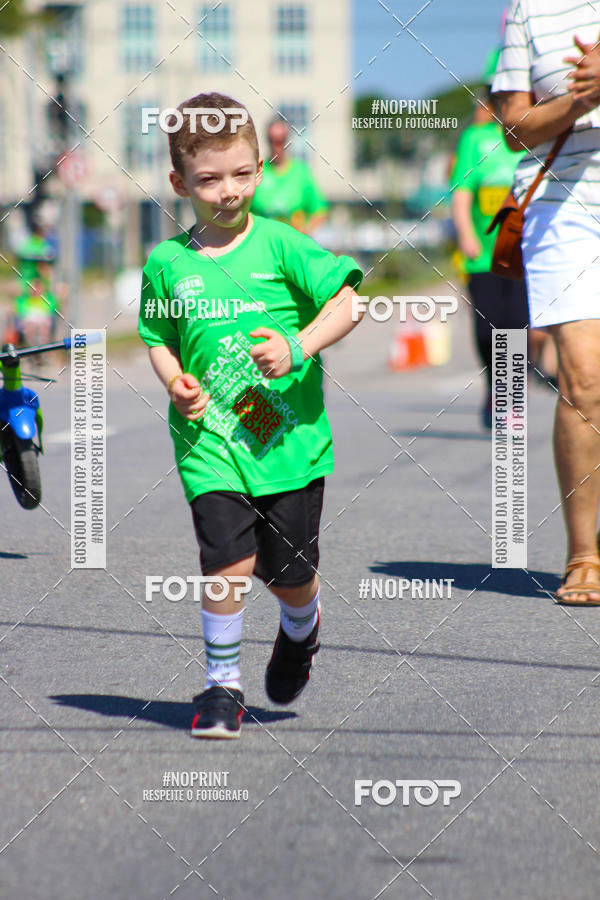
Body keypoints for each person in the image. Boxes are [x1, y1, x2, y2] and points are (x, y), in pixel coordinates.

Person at [138, 92, 364, 739]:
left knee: (288, 577)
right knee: (225, 563)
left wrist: (298, 346)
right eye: (209, 179)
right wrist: (173, 379)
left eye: (242, 174)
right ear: (180, 182)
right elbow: (156, 335)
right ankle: (221, 686)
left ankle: (302, 626)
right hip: (209, 443)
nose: (228, 191)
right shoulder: (167, 264)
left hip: (287, 446)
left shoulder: (281, 245)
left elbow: (348, 303)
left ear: (260, 171)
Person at [493, 1, 600, 604]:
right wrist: (581, 100)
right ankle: (584, 554)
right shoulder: (528, 9)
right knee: (584, 375)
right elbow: (515, 127)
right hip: (566, 202)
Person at [451, 49, 553, 430]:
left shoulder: (536, 135)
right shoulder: (476, 139)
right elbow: (461, 192)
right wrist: (465, 233)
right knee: (485, 327)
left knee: (515, 325)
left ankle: (508, 398)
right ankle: (494, 383)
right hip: (482, 254)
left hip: (524, 252)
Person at [250, 116, 328, 233]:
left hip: (293, 246)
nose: (276, 145)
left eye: (281, 140)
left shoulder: (301, 172)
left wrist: (305, 232)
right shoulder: (257, 171)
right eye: (272, 140)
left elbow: (320, 210)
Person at [13, 216, 61, 350]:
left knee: (30, 322)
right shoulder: (43, 246)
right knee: (40, 321)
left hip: (25, 285)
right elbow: (47, 265)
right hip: (38, 286)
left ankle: (29, 347)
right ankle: (43, 348)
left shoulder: (25, 245)